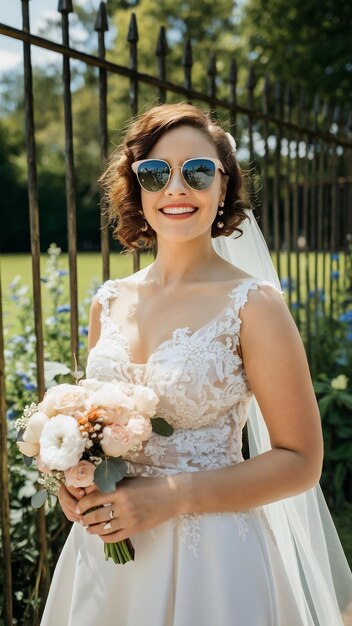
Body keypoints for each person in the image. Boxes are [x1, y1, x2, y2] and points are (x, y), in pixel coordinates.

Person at [41, 103, 352, 626]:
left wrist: (170, 497)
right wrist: (73, 485)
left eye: (198, 172)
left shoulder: (254, 306)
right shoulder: (108, 302)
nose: (176, 189)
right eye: (156, 173)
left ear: (224, 186)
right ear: (138, 187)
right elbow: (95, 429)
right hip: (106, 555)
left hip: (214, 564)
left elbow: (301, 461)